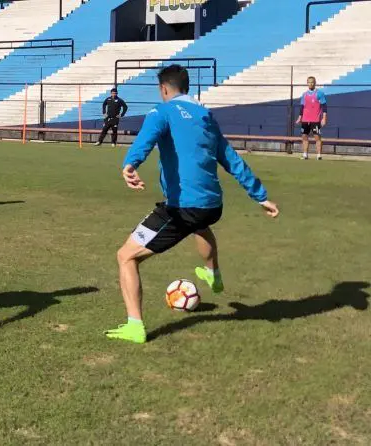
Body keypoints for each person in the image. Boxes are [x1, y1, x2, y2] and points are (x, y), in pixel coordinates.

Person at [107, 65, 279, 344]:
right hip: (212, 204)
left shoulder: (162, 111)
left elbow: (146, 139)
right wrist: (260, 196)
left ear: (164, 89)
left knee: (125, 257)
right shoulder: (206, 116)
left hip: (183, 206)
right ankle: (213, 274)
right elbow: (231, 158)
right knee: (200, 225)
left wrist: (130, 164)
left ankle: (134, 326)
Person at [295, 76, 327, 160]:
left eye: (312, 82)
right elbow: (302, 107)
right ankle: (305, 154)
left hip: (315, 120)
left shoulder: (320, 93)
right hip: (305, 120)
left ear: (315, 83)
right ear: (307, 83)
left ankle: (319, 155)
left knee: (317, 137)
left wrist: (324, 118)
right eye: (309, 82)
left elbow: (324, 106)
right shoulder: (304, 94)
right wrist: (299, 117)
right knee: (304, 136)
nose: (311, 84)